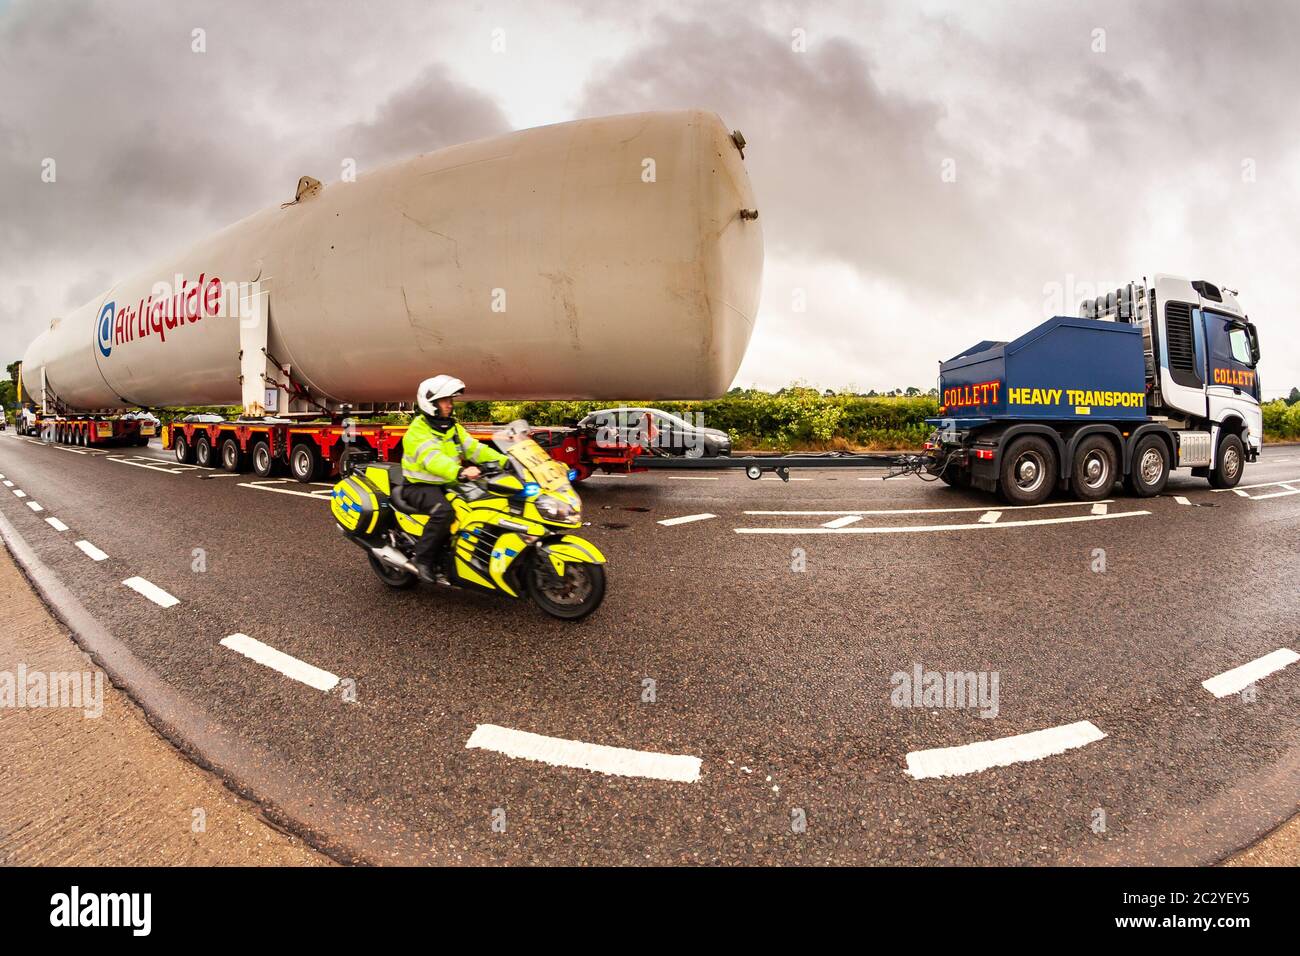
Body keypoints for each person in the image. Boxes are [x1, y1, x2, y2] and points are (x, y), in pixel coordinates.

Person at [400, 375, 509, 584]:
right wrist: (459, 472)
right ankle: (421, 560)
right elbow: (433, 460)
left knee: (486, 502)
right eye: (445, 400)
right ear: (431, 403)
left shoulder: (451, 427)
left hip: (448, 482)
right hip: (419, 486)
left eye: (451, 400)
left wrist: (506, 461)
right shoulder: (417, 431)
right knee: (444, 512)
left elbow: (475, 449)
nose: (450, 404)